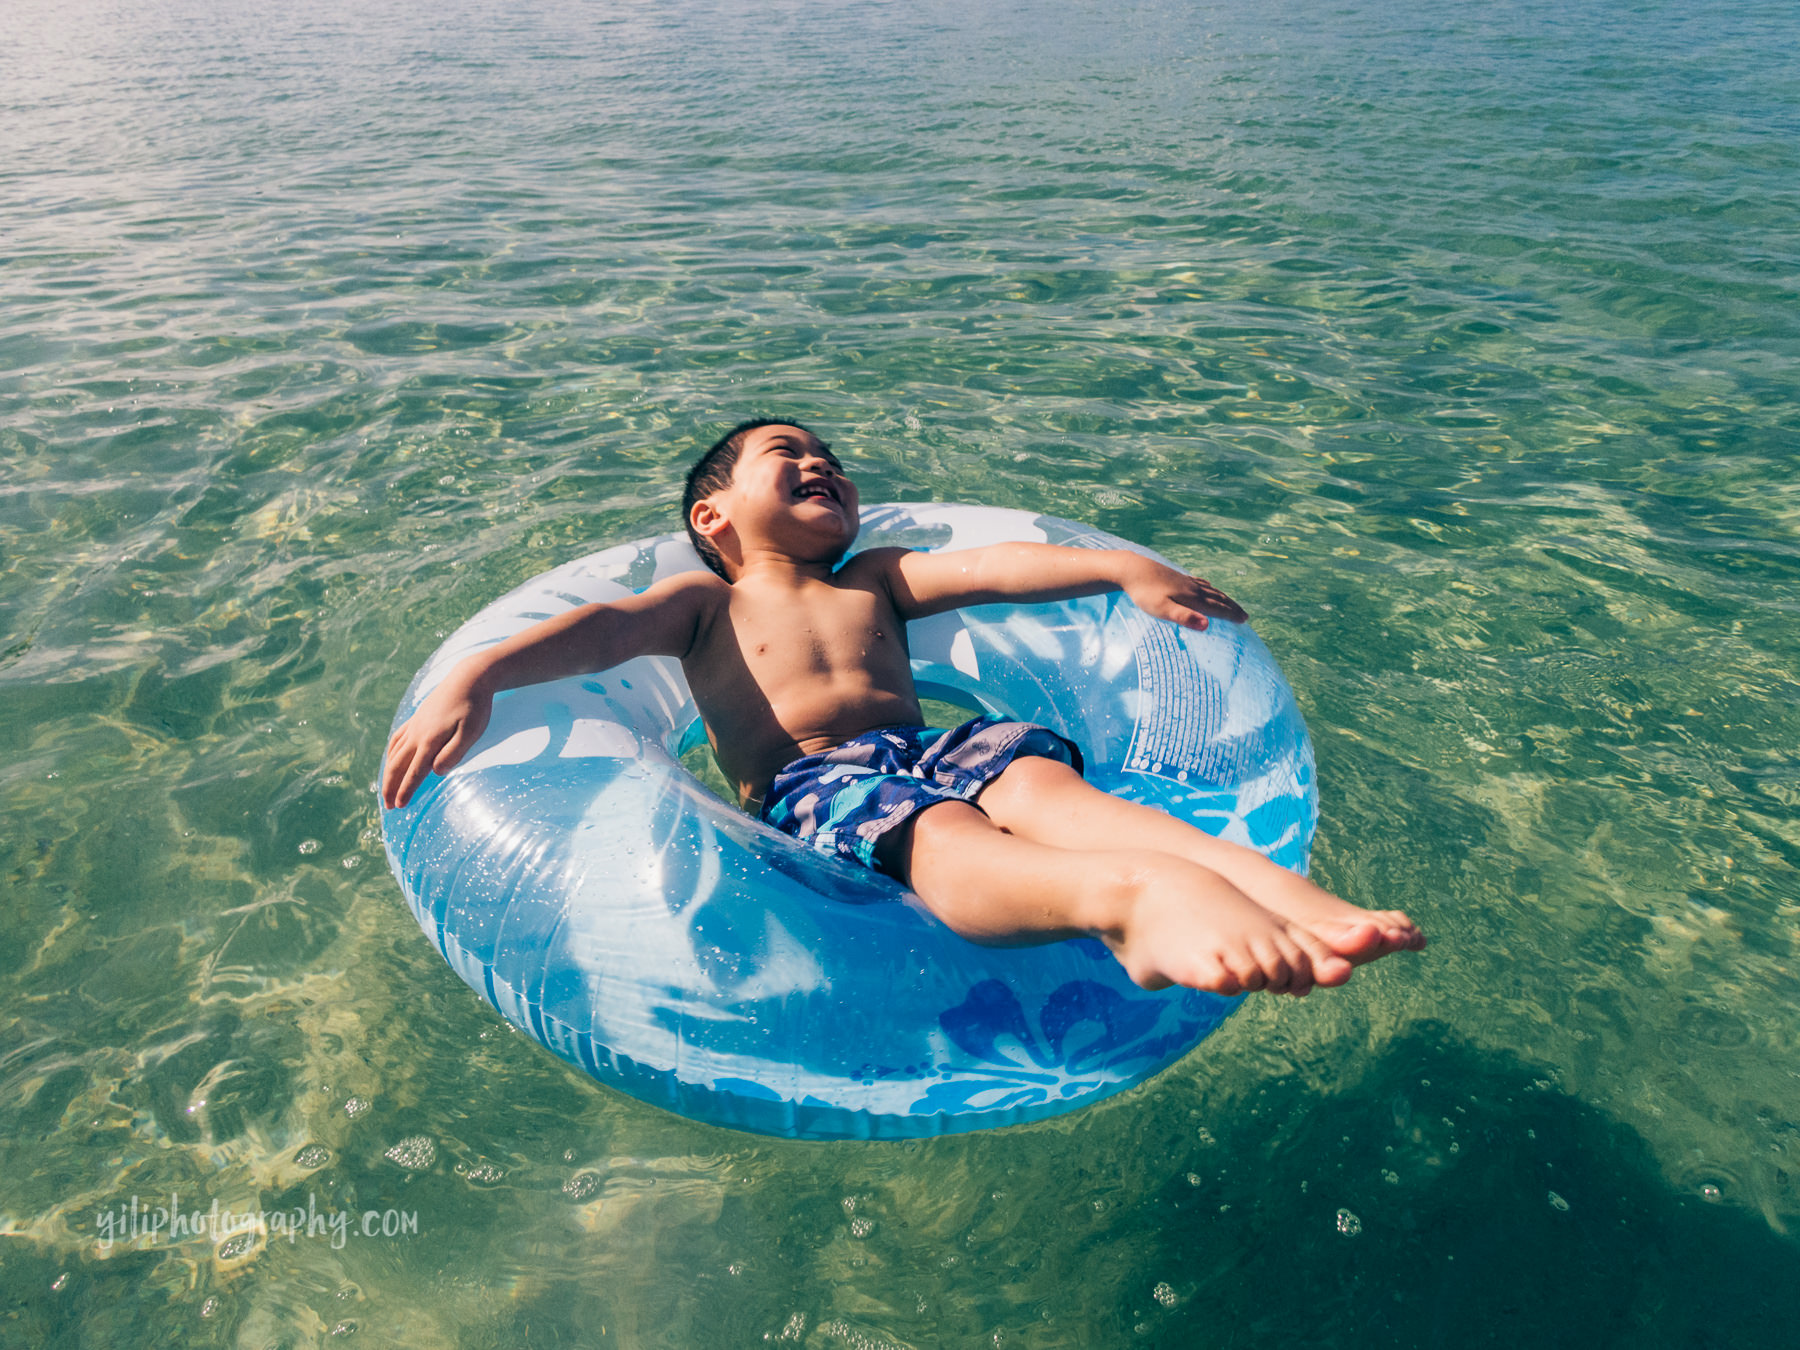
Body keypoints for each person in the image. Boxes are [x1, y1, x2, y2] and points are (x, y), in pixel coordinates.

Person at [381, 419, 1424, 996]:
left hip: (947, 742)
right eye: (784, 456)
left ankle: (1298, 903)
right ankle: (1127, 911)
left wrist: (1122, 570)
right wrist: (478, 676)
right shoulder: (710, 601)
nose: (818, 463)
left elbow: (1000, 569)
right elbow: (602, 634)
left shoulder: (873, 575)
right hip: (817, 778)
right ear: (715, 516)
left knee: (1077, 804)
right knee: (945, 841)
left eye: (829, 459)